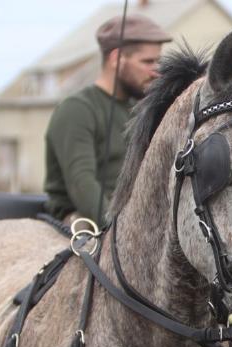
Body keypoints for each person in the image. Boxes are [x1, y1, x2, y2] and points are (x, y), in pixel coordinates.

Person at [43, 14, 171, 226]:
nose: (156, 71)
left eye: (159, 61)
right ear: (116, 58)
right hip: (82, 220)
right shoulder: (77, 109)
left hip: (137, 223)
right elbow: (81, 183)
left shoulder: (143, 110)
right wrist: (115, 231)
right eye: (148, 61)